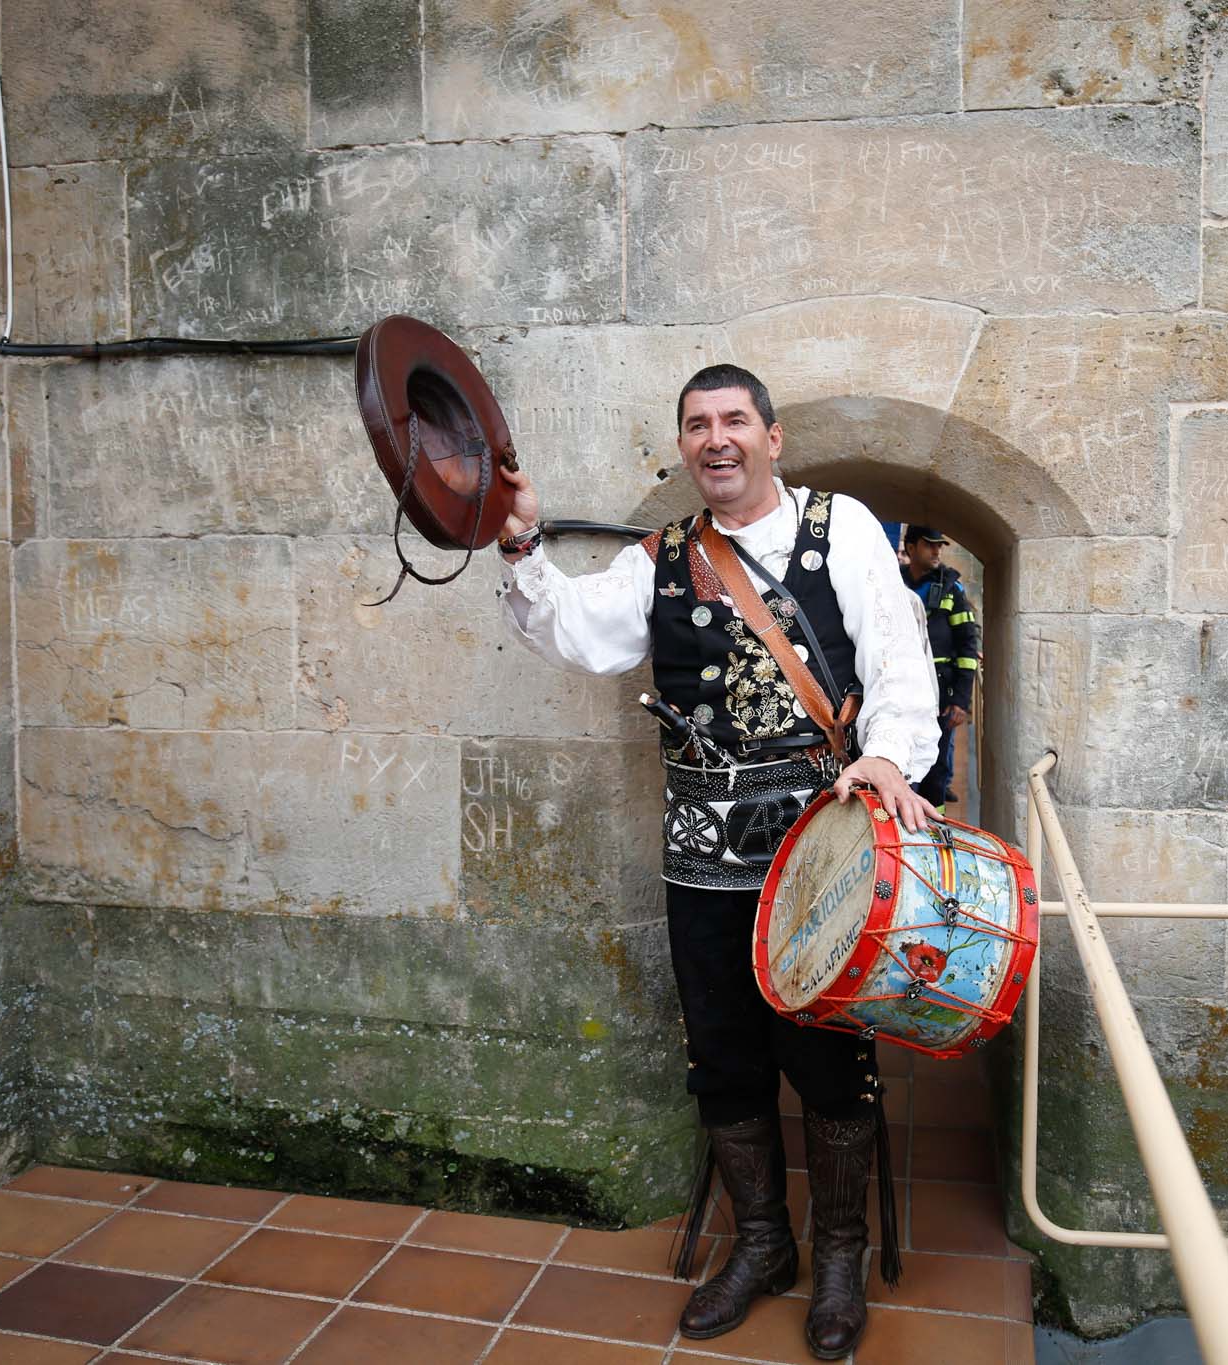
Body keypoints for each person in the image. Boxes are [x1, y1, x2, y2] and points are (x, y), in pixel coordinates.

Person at [494, 364, 940, 1360]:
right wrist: (522, 541)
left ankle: (836, 1256)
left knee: (826, 1055)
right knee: (722, 1055)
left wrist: (885, 753)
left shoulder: (842, 528)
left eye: (734, 420)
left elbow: (899, 659)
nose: (716, 439)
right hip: (700, 850)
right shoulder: (658, 557)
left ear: (771, 437)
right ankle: (763, 1246)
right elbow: (579, 633)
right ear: (685, 445)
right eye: (697, 425)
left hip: (819, 846)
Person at [902, 526, 981, 807]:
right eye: (929, 545)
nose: (937, 551)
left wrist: (960, 700)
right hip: (901, 690)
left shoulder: (950, 589)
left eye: (940, 546)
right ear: (910, 548)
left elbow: (967, 647)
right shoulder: (892, 583)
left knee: (936, 772)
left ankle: (935, 835)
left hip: (941, 695)